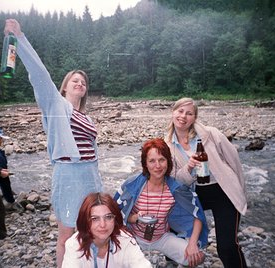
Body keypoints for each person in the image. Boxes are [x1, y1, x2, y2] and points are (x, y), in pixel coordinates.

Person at [3, 19, 103, 267]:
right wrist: (21, 38)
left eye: (83, 82)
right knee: (66, 235)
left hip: (91, 175)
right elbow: (39, 75)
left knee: (92, 229)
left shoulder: (86, 116)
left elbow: (92, 150)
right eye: (74, 80)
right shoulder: (56, 105)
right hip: (68, 174)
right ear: (64, 87)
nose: (80, 83)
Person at [165, 97, 248, 268]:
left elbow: (234, 161)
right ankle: (171, 264)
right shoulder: (167, 147)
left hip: (223, 192)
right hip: (194, 195)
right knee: (171, 230)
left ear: (194, 117)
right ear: (173, 113)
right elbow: (176, 181)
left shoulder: (211, 134)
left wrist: (240, 191)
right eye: (180, 111)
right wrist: (188, 167)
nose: (183, 116)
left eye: (189, 113)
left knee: (227, 247)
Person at [113, 138, 208, 267]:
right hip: (134, 238)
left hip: (162, 238)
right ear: (145, 163)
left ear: (168, 162)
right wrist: (134, 218)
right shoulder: (132, 186)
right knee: (115, 257)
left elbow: (197, 215)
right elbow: (114, 213)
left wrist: (192, 244)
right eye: (152, 161)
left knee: (197, 257)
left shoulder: (176, 188)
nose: (157, 166)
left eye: (162, 160)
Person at [62, 192, 152, 268]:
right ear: (85, 221)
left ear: (115, 219)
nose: (103, 225)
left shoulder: (126, 240)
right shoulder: (74, 245)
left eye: (108, 217)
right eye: (95, 219)